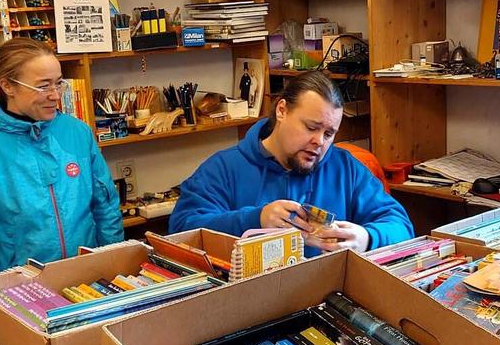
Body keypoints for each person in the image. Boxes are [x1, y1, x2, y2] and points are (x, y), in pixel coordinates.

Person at [169, 71, 413, 254]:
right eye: (311, 127)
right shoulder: (223, 169)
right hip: (251, 306)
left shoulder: (346, 169)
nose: (319, 142)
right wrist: (255, 220)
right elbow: (181, 233)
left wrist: (368, 237)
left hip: (329, 302)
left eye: (329, 134)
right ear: (282, 110)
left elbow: (401, 226)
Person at [0, 37, 123, 286]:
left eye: (58, 83)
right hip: (21, 290)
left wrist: (114, 265)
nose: (55, 95)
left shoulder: (77, 132)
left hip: (89, 281)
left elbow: (105, 207)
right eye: (43, 86)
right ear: (8, 85)